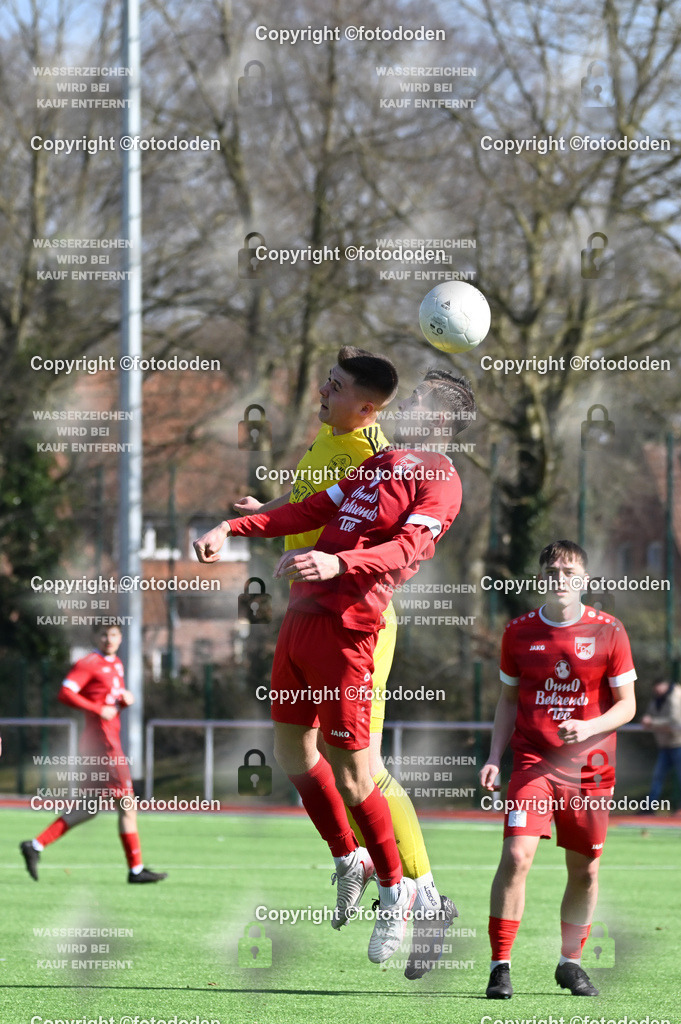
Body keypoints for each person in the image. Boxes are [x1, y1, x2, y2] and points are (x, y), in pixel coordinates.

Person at [195, 370, 474, 965]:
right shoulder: (379, 465)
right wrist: (230, 527)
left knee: (358, 773)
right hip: (301, 618)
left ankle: (408, 894)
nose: (406, 409)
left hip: (353, 630)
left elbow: (409, 550)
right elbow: (306, 510)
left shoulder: (442, 480)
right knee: (292, 753)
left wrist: (338, 563)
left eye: (420, 403)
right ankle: (353, 860)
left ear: (444, 423)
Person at [479, 541, 636, 999]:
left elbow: (627, 707)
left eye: (569, 572)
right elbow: (508, 702)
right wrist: (493, 756)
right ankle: (500, 965)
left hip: (592, 768)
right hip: (533, 763)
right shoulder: (519, 632)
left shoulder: (610, 631)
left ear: (584, 579)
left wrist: (589, 726)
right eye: (551, 572)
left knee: (585, 870)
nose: (560, 579)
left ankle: (570, 963)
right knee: (516, 857)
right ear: (541, 579)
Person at [20, 624, 167, 884]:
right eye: (103, 635)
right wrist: (98, 709)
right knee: (128, 804)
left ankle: (35, 845)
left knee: (89, 808)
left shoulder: (117, 664)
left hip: (99, 743)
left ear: (120, 638)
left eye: (113, 635)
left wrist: (121, 703)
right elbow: (65, 692)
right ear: (94, 637)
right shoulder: (89, 663)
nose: (108, 639)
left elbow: (109, 703)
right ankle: (136, 869)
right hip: (104, 745)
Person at [642, 679, 681, 811]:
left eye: (658, 687)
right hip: (665, 745)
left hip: (679, 744)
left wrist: (652, 722)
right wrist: (648, 720)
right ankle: (649, 807)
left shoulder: (676, 695)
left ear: (665, 685)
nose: (657, 691)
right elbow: (650, 715)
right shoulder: (658, 698)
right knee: (658, 777)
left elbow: (674, 720)